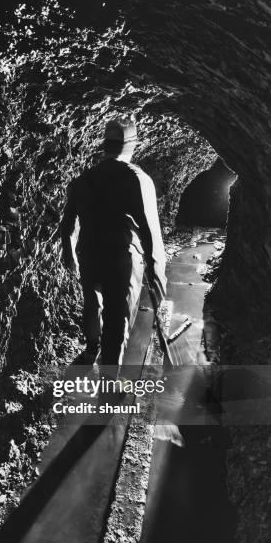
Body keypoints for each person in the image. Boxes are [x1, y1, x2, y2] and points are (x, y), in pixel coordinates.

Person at [60, 116, 166, 371]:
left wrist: (68, 253)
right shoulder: (136, 178)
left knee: (92, 302)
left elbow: (67, 223)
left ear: (104, 145)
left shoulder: (83, 178)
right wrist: (155, 271)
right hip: (119, 259)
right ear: (131, 144)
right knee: (116, 318)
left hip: (87, 254)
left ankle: (91, 348)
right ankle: (109, 381)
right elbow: (150, 230)